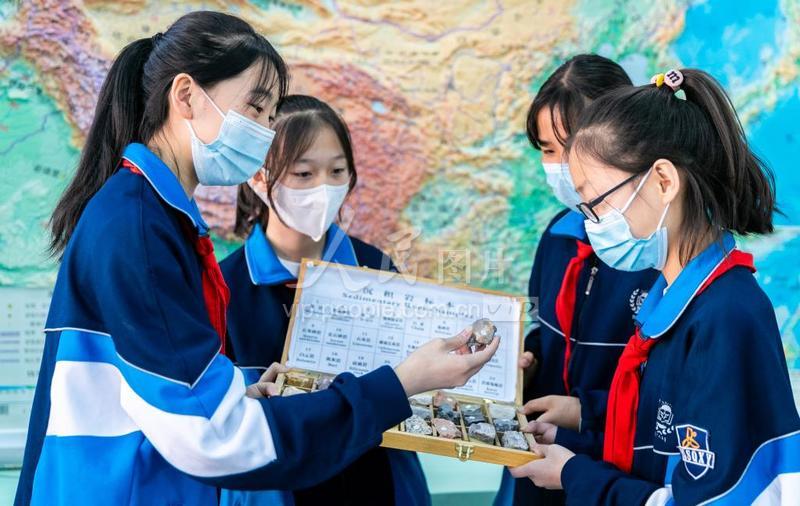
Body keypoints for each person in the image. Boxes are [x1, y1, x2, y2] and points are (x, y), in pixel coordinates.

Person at [14, 12, 499, 506]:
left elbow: (164, 397)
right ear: (186, 96)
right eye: (256, 107)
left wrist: (238, 394)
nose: (266, 131)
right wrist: (404, 381)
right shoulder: (138, 228)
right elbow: (215, 437)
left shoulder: (153, 218)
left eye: (270, 116)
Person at [510, 68, 800, 504]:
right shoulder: (670, 305)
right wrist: (574, 441)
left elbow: (704, 496)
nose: (593, 224)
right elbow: (659, 449)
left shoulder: (724, 317)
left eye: (597, 204)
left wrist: (575, 475)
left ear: (664, 182)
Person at [220, 94, 430, 505]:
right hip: (277, 486)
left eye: (337, 171)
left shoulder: (375, 269)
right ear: (258, 177)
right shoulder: (225, 287)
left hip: (378, 481)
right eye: (303, 173)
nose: (324, 187)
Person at [496, 55, 659, 506]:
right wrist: (525, 362)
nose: (561, 166)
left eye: (572, 146)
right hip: (540, 456)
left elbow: (671, 390)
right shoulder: (558, 234)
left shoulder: (652, 250)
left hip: (615, 470)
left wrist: (588, 410)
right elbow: (545, 328)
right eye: (548, 150)